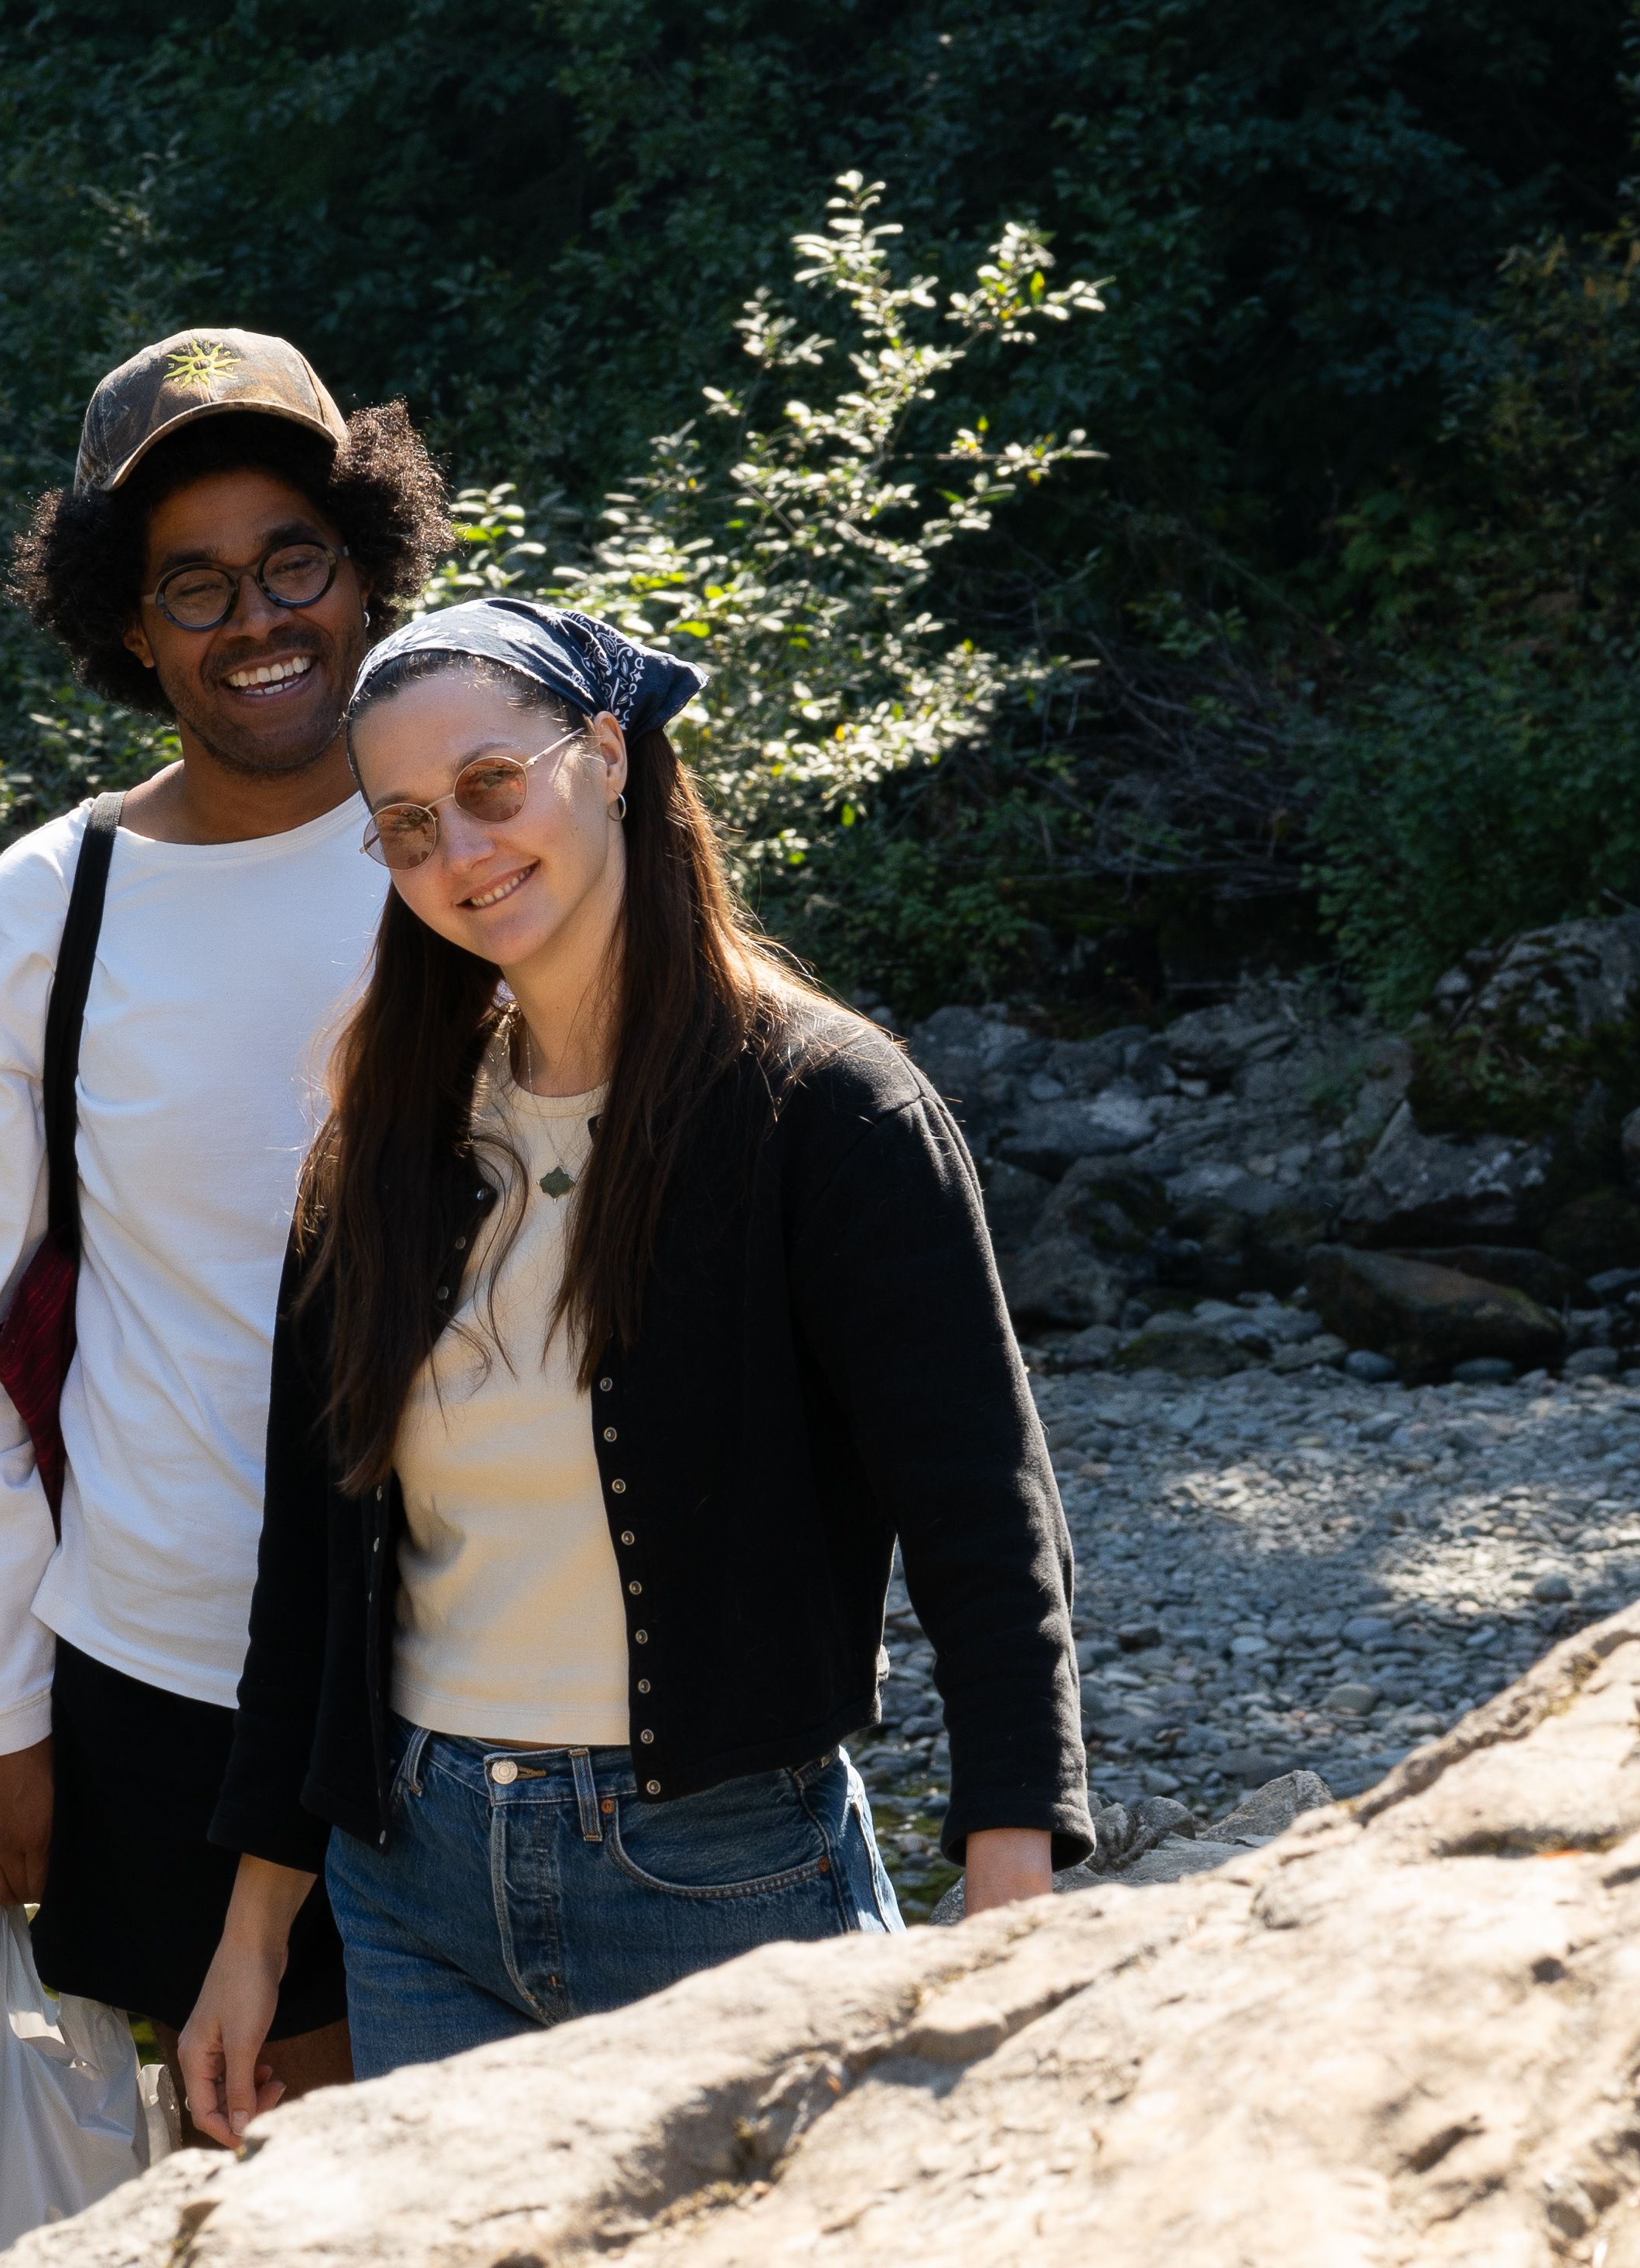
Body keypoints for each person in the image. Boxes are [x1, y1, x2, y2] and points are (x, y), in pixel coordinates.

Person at [174, 598, 1091, 2136]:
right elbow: (311, 1574)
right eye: (407, 828)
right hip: (411, 1890)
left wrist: (1012, 1860)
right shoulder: (386, 1139)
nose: (460, 853)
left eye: (490, 786)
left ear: (605, 756)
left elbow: (983, 1519)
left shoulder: (828, 1108)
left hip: (722, 1883)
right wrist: (255, 1928)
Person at [0, 327, 454, 2104]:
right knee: (269, 2174)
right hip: (174, 1673)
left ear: (367, 567)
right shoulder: (48, 909)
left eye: (295, 561)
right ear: (128, 627)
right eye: (196, 585)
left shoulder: (483, 843)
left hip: (511, 1662)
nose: (258, 620)